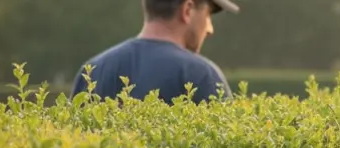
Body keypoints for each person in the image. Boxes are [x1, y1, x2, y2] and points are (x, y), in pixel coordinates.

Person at [71, 0, 239, 104]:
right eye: (208, 14)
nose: (210, 29)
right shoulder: (201, 75)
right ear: (187, 10)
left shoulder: (92, 70)